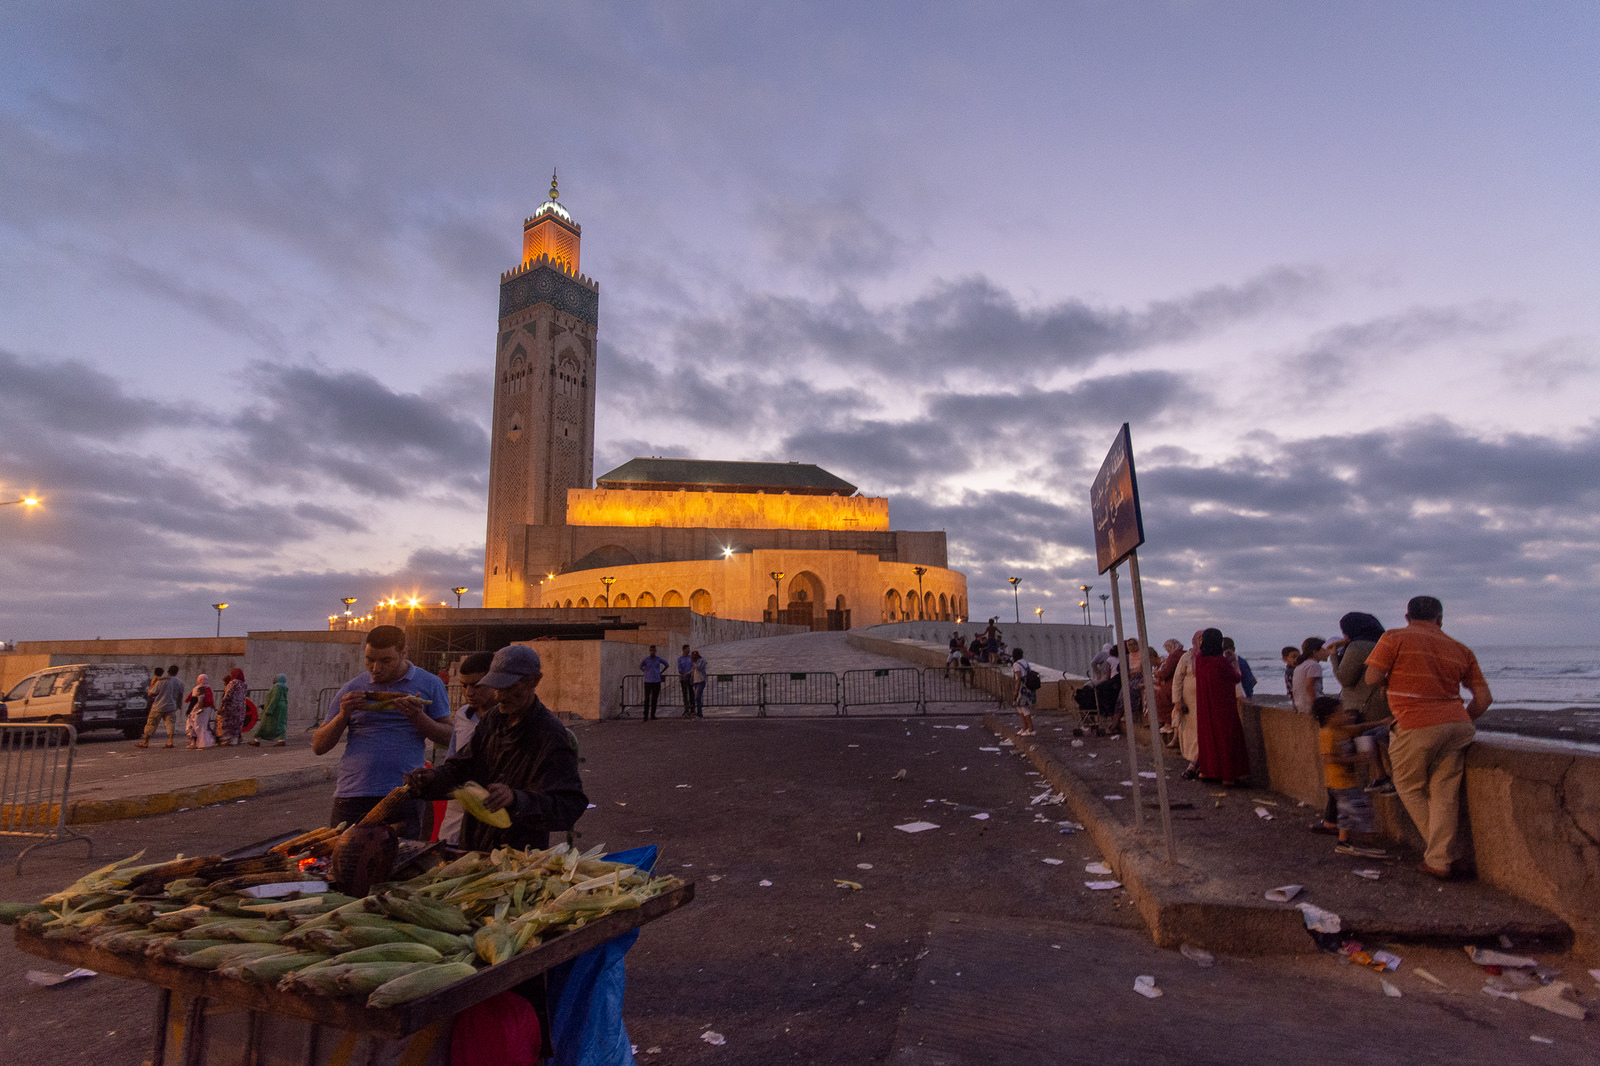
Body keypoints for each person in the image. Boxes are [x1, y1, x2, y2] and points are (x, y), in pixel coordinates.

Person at [407, 645, 588, 852]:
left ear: (534, 681)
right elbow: (462, 768)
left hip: (519, 854)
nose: (500, 696)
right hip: (474, 846)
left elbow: (569, 805)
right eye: (497, 688)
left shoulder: (550, 735)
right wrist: (431, 779)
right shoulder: (492, 720)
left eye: (509, 688)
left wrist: (516, 799)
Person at [1364, 596, 1492, 880]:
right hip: (1457, 726)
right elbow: (1484, 698)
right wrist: (1457, 718)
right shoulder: (1460, 649)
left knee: (1408, 786)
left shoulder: (1394, 637)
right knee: (1444, 793)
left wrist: (1391, 681)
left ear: (1407, 617)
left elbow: (1371, 678)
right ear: (1440, 619)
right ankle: (1447, 857)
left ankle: (1442, 857)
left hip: (1415, 723)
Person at [313, 625, 452, 839]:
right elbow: (319, 746)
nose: (376, 668)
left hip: (404, 793)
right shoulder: (352, 687)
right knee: (345, 861)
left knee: (401, 863)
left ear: (404, 652)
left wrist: (418, 717)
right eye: (370, 660)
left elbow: (448, 737)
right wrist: (343, 715)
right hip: (353, 794)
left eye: (386, 661)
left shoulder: (430, 684)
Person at [1312, 695, 1389, 858]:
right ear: (1330, 717)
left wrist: (1380, 723)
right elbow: (1329, 759)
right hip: (1341, 782)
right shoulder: (1328, 734)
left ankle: (1343, 842)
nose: (1346, 716)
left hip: (1343, 782)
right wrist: (1356, 758)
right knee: (1365, 813)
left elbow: (1360, 728)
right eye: (1341, 713)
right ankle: (1369, 844)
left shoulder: (1341, 729)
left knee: (1344, 814)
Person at [435, 650, 498, 845]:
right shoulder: (462, 715)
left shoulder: (511, 719)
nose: (469, 693)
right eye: (464, 686)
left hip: (494, 810)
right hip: (457, 813)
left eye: (477, 686)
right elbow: (453, 760)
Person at [1328, 612, 1393, 792]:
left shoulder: (1356, 647)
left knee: (1370, 742)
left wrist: (1334, 656)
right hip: (1383, 701)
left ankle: (1381, 777)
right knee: (1381, 741)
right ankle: (1384, 778)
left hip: (1364, 705)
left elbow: (1345, 678)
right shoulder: (1382, 644)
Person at [1193, 628, 1250, 786]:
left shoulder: (1199, 659)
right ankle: (1229, 775)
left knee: (1208, 737)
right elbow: (1236, 677)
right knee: (1227, 739)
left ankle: (1208, 771)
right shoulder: (1220, 661)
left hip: (1205, 705)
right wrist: (1234, 662)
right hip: (1223, 705)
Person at [1171, 630, 1203, 776]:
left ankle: (1198, 764)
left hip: (1204, 701)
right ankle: (1193, 762)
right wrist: (1177, 700)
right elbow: (1177, 680)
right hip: (1189, 702)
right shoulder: (1187, 657)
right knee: (1191, 732)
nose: (1202, 642)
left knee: (1202, 732)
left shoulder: (1210, 656)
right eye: (1200, 639)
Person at [139, 664, 183, 748]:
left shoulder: (162, 681)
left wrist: (152, 684)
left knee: (151, 724)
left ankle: (146, 742)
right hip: (171, 706)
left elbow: (151, 693)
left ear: (168, 671)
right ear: (177, 672)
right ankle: (170, 741)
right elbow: (180, 694)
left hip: (158, 706)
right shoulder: (179, 682)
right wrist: (179, 704)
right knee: (170, 724)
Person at [1153, 639, 1184, 744]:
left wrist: (1157, 673)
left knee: (1159, 695)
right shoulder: (1183, 654)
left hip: (1174, 684)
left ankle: (1167, 723)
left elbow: (1166, 673)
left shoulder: (1174, 656)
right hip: (1181, 682)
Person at [1292, 638, 1327, 714]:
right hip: (1311, 704)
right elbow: (1309, 686)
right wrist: (1316, 706)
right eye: (1324, 650)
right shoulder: (1314, 665)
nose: (1327, 653)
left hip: (1300, 704)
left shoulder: (1300, 666)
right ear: (1314, 652)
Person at [218, 667, 249, 746]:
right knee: (236, 723)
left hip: (231, 706)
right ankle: (234, 740)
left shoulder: (232, 683)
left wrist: (222, 706)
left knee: (227, 723)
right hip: (241, 707)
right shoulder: (244, 684)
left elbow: (227, 695)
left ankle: (226, 739)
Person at [1011, 647, 1038, 736]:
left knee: (1023, 707)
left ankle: (1030, 728)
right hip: (1028, 687)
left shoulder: (1016, 664)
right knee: (1020, 707)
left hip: (1022, 688)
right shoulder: (1025, 662)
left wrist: (1016, 690)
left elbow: (1018, 679)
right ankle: (1024, 727)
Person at [184, 674, 216, 749]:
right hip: (206, 710)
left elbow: (193, 700)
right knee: (203, 727)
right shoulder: (208, 688)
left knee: (194, 726)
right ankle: (203, 743)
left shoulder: (197, 688)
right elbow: (210, 700)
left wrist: (188, 710)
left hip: (197, 710)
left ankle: (198, 743)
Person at [639, 646, 669, 721]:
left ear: (655, 651)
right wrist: (646, 672)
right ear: (649, 651)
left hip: (656, 681)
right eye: (651, 650)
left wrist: (660, 672)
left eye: (654, 650)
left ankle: (653, 714)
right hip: (648, 681)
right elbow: (640, 666)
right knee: (647, 699)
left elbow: (667, 664)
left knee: (654, 699)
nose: (652, 652)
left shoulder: (658, 659)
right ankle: (645, 716)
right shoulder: (646, 659)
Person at [676, 645, 695, 718]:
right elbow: (679, 668)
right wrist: (683, 674)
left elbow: (693, 666)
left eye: (689, 648)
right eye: (688, 649)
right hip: (683, 679)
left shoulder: (691, 657)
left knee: (691, 694)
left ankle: (692, 709)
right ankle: (686, 709)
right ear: (684, 650)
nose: (689, 650)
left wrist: (688, 674)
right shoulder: (680, 659)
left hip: (690, 678)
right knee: (685, 695)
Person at [689, 650, 708, 718]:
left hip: (701, 681)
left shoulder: (701, 661)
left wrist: (694, 662)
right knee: (697, 698)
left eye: (694, 656)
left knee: (698, 697)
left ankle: (700, 714)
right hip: (695, 682)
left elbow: (699, 668)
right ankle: (698, 713)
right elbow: (692, 670)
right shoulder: (695, 662)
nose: (693, 657)